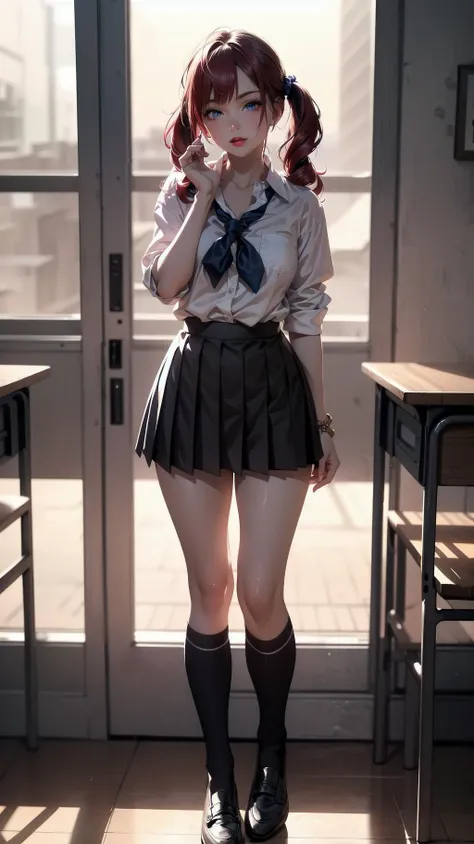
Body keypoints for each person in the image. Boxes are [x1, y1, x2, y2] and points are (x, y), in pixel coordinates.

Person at [136, 28, 340, 844]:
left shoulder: (300, 209)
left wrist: (321, 422)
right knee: (210, 592)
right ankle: (220, 784)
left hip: (269, 388)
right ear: (199, 119)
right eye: (214, 106)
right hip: (192, 383)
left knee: (260, 591)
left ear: (275, 105)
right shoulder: (180, 196)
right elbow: (163, 286)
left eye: (249, 101)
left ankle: (273, 760)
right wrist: (204, 200)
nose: (233, 120)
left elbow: (308, 321)